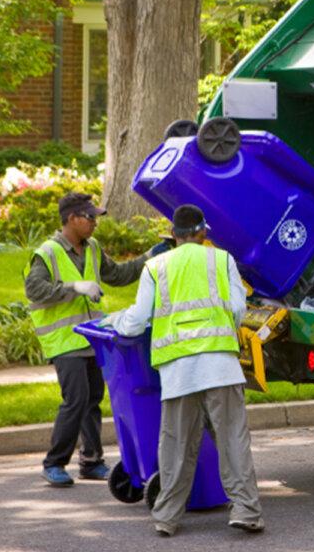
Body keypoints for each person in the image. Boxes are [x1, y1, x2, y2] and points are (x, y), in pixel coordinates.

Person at [106, 203, 263, 537]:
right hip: (221, 367)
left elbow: (135, 323)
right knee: (233, 440)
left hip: (179, 372)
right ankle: (246, 511)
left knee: (175, 446)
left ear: (173, 235)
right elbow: (237, 310)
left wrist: (114, 321)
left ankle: (167, 516)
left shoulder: (155, 267)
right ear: (203, 232)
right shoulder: (222, 260)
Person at [24, 192, 169, 488]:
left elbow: (117, 275)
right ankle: (53, 462)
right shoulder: (47, 253)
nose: (94, 223)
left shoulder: (92, 248)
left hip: (91, 339)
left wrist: (148, 259)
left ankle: (91, 461)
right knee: (75, 400)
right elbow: (35, 290)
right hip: (64, 341)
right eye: (90, 217)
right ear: (72, 219)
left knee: (92, 400)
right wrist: (75, 286)